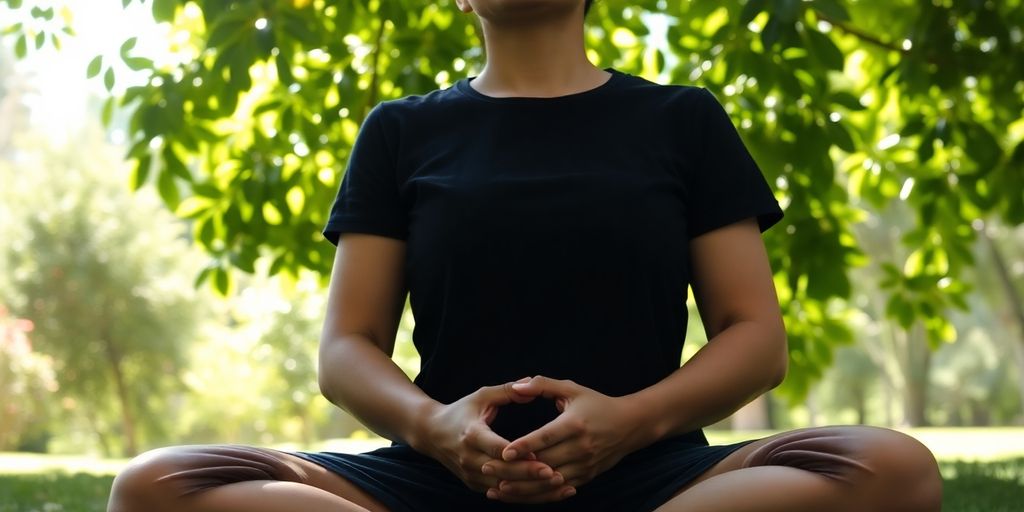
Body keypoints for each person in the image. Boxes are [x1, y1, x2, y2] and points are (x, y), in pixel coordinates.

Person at [107, 0, 944, 511]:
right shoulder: (400, 131)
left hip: (658, 482)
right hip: (435, 479)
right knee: (155, 488)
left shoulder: (684, 121)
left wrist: (630, 423)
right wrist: (438, 431)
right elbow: (345, 348)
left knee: (893, 470)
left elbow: (755, 337)